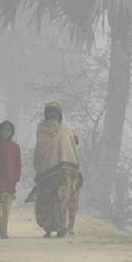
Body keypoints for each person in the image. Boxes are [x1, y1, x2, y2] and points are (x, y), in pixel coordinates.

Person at [31, 102, 82, 238]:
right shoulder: (42, 128)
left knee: (63, 199)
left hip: (66, 169)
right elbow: (41, 147)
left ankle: (62, 226)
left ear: (59, 114)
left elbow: (75, 141)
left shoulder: (66, 127)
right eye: (49, 112)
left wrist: (65, 138)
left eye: (55, 112)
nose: (52, 115)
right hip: (47, 171)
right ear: (45, 114)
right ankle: (48, 227)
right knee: (47, 199)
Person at [0, 121, 22, 239]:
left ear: (12, 132)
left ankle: (4, 230)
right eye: (3, 130)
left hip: (9, 182)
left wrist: (16, 178)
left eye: (8, 130)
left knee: (6, 207)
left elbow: (18, 164)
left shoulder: (15, 147)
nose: (5, 132)